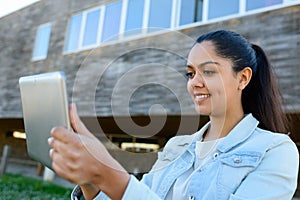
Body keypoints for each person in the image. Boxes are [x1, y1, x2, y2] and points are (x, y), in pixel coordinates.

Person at [48, 30, 299, 200]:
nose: (194, 83)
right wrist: (91, 181)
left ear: (242, 78)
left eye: (208, 72)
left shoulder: (275, 150)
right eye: (190, 74)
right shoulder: (176, 146)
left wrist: (108, 173)